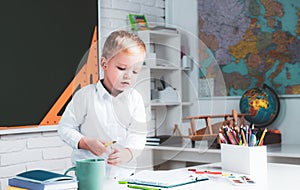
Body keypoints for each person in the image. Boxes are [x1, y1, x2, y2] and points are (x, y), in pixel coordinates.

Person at [58, 30, 147, 179]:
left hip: (123, 176)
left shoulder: (135, 99)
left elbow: (138, 134)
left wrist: (128, 153)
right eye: (122, 68)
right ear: (104, 64)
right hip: (87, 176)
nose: (128, 76)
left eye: (135, 71)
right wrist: (85, 142)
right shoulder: (85, 96)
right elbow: (64, 128)